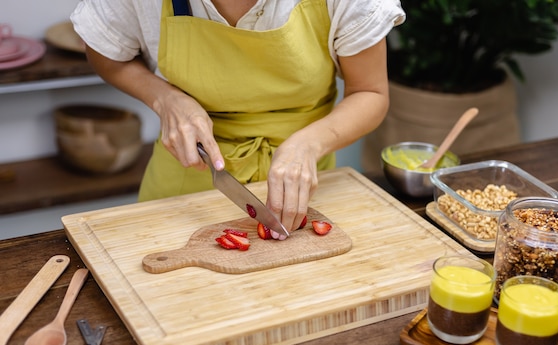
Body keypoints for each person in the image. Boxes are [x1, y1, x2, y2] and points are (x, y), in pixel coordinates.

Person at [71, 0, 405, 238]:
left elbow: (370, 93)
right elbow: (106, 55)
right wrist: (166, 99)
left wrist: (308, 144)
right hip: (185, 177)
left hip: (306, 186)